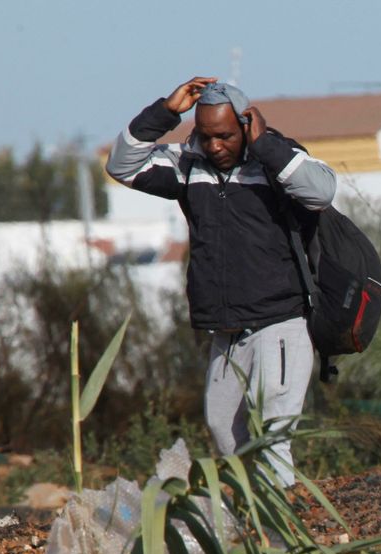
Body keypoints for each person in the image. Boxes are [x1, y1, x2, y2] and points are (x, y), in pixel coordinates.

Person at [106, 77, 337, 484]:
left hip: (279, 321)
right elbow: (121, 165)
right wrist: (165, 113)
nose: (215, 147)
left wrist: (265, 145)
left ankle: (279, 529)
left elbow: (320, 192)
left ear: (246, 126)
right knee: (223, 429)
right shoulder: (188, 165)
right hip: (226, 329)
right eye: (206, 135)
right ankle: (252, 513)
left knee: (273, 435)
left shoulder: (277, 159)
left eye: (226, 136)